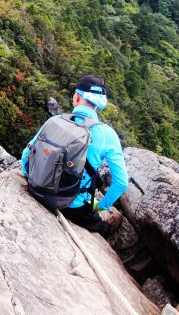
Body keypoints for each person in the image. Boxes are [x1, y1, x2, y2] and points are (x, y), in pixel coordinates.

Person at [21, 74, 128, 236]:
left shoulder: (55, 120)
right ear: (98, 105)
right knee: (100, 226)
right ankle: (104, 229)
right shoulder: (107, 134)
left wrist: (30, 178)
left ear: (77, 96)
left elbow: (26, 154)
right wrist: (101, 205)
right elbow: (121, 183)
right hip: (72, 206)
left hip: (36, 189)